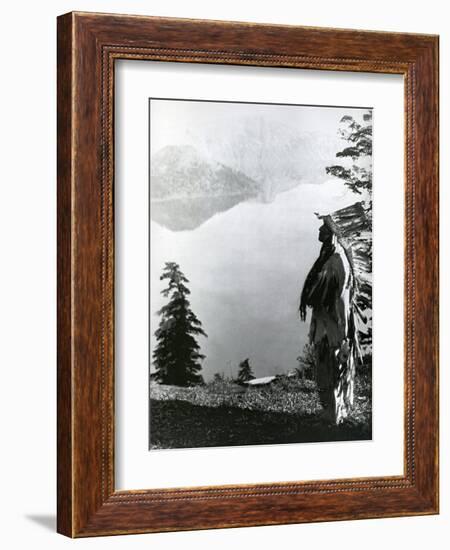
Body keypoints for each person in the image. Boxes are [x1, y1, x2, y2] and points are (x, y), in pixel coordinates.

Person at [300, 217, 357, 425]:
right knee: (325, 371)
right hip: (326, 326)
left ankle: (334, 415)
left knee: (332, 371)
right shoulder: (328, 256)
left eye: (324, 226)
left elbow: (341, 299)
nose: (319, 228)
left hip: (332, 329)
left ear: (333, 233)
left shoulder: (336, 261)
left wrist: (343, 337)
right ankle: (331, 412)